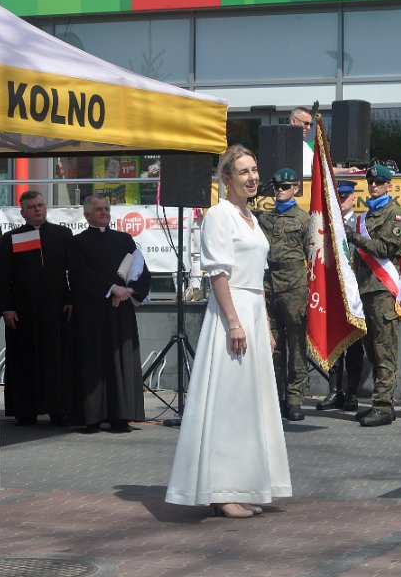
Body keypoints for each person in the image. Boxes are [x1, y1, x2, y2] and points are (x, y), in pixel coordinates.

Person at [166, 144, 291, 519]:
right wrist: (234, 322)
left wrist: (264, 323)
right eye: (243, 172)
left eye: (254, 170)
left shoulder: (250, 216)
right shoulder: (220, 215)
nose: (252, 177)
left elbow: (259, 279)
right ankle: (221, 491)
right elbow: (218, 274)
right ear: (226, 178)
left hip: (251, 308)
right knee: (229, 404)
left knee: (249, 405)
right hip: (231, 312)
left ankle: (242, 484)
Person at [69, 195, 151, 433]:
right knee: (94, 363)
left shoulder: (125, 239)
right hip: (92, 313)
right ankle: (93, 418)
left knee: (121, 362)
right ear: (87, 215)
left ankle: (121, 416)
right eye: (99, 209)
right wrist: (110, 288)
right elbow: (79, 273)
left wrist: (128, 291)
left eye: (106, 208)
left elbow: (139, 268)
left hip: (120, 312)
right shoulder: (78, 243)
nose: (104, 212)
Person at [345, 163, 401, 427]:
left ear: (389, 186)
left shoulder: (395, 214)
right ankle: (378, 403)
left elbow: (384, 248)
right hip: (364, 289)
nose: (373, 185)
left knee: (384, 351)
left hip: (382, 289)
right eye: (370, 182)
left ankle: (384, 406)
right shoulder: (364, 217)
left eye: (379, 182)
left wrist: (357, 239)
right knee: (372, 350)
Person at [0, 191, 73, 427]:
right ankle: (25, 411)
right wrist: (6, 308)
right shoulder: (11, 238)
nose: (37, 210)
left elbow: (73, 271)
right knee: (24, 359)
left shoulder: (63, 235)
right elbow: (3, 277)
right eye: (31, 207)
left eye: (40, 205)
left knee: (56, 359)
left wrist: (71, 299)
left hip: (56, 307)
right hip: (23, 309)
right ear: (22, 213)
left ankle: (58, 410)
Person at [259, 168, 310, 420]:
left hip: (295, 286)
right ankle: (275, 397)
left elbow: (314, 254)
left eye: (285, 187)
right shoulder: (264, 219)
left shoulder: (304, 219)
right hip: (270, 284)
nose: (280, 191)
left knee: (297, 345)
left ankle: (295, 398)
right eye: (277, 187)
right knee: (274, 346)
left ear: (296, 189)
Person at [327, 179, 365, 411]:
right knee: (334, 343)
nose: (342, 201)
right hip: (334, 291)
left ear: (353, 198)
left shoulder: (360, 224)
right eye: (338, 197)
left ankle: (351, 393)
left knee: (353, 344)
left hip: (355, 291)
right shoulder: (328, 224)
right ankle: (334, 391)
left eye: (345, 197)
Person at [290, 107, 314, 178]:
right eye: (306, 123)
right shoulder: (280, 145)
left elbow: (322, 169)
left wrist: (346, 171)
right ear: (294, 121)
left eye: (310, 124)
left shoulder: (307, 147)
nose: (308, 128)